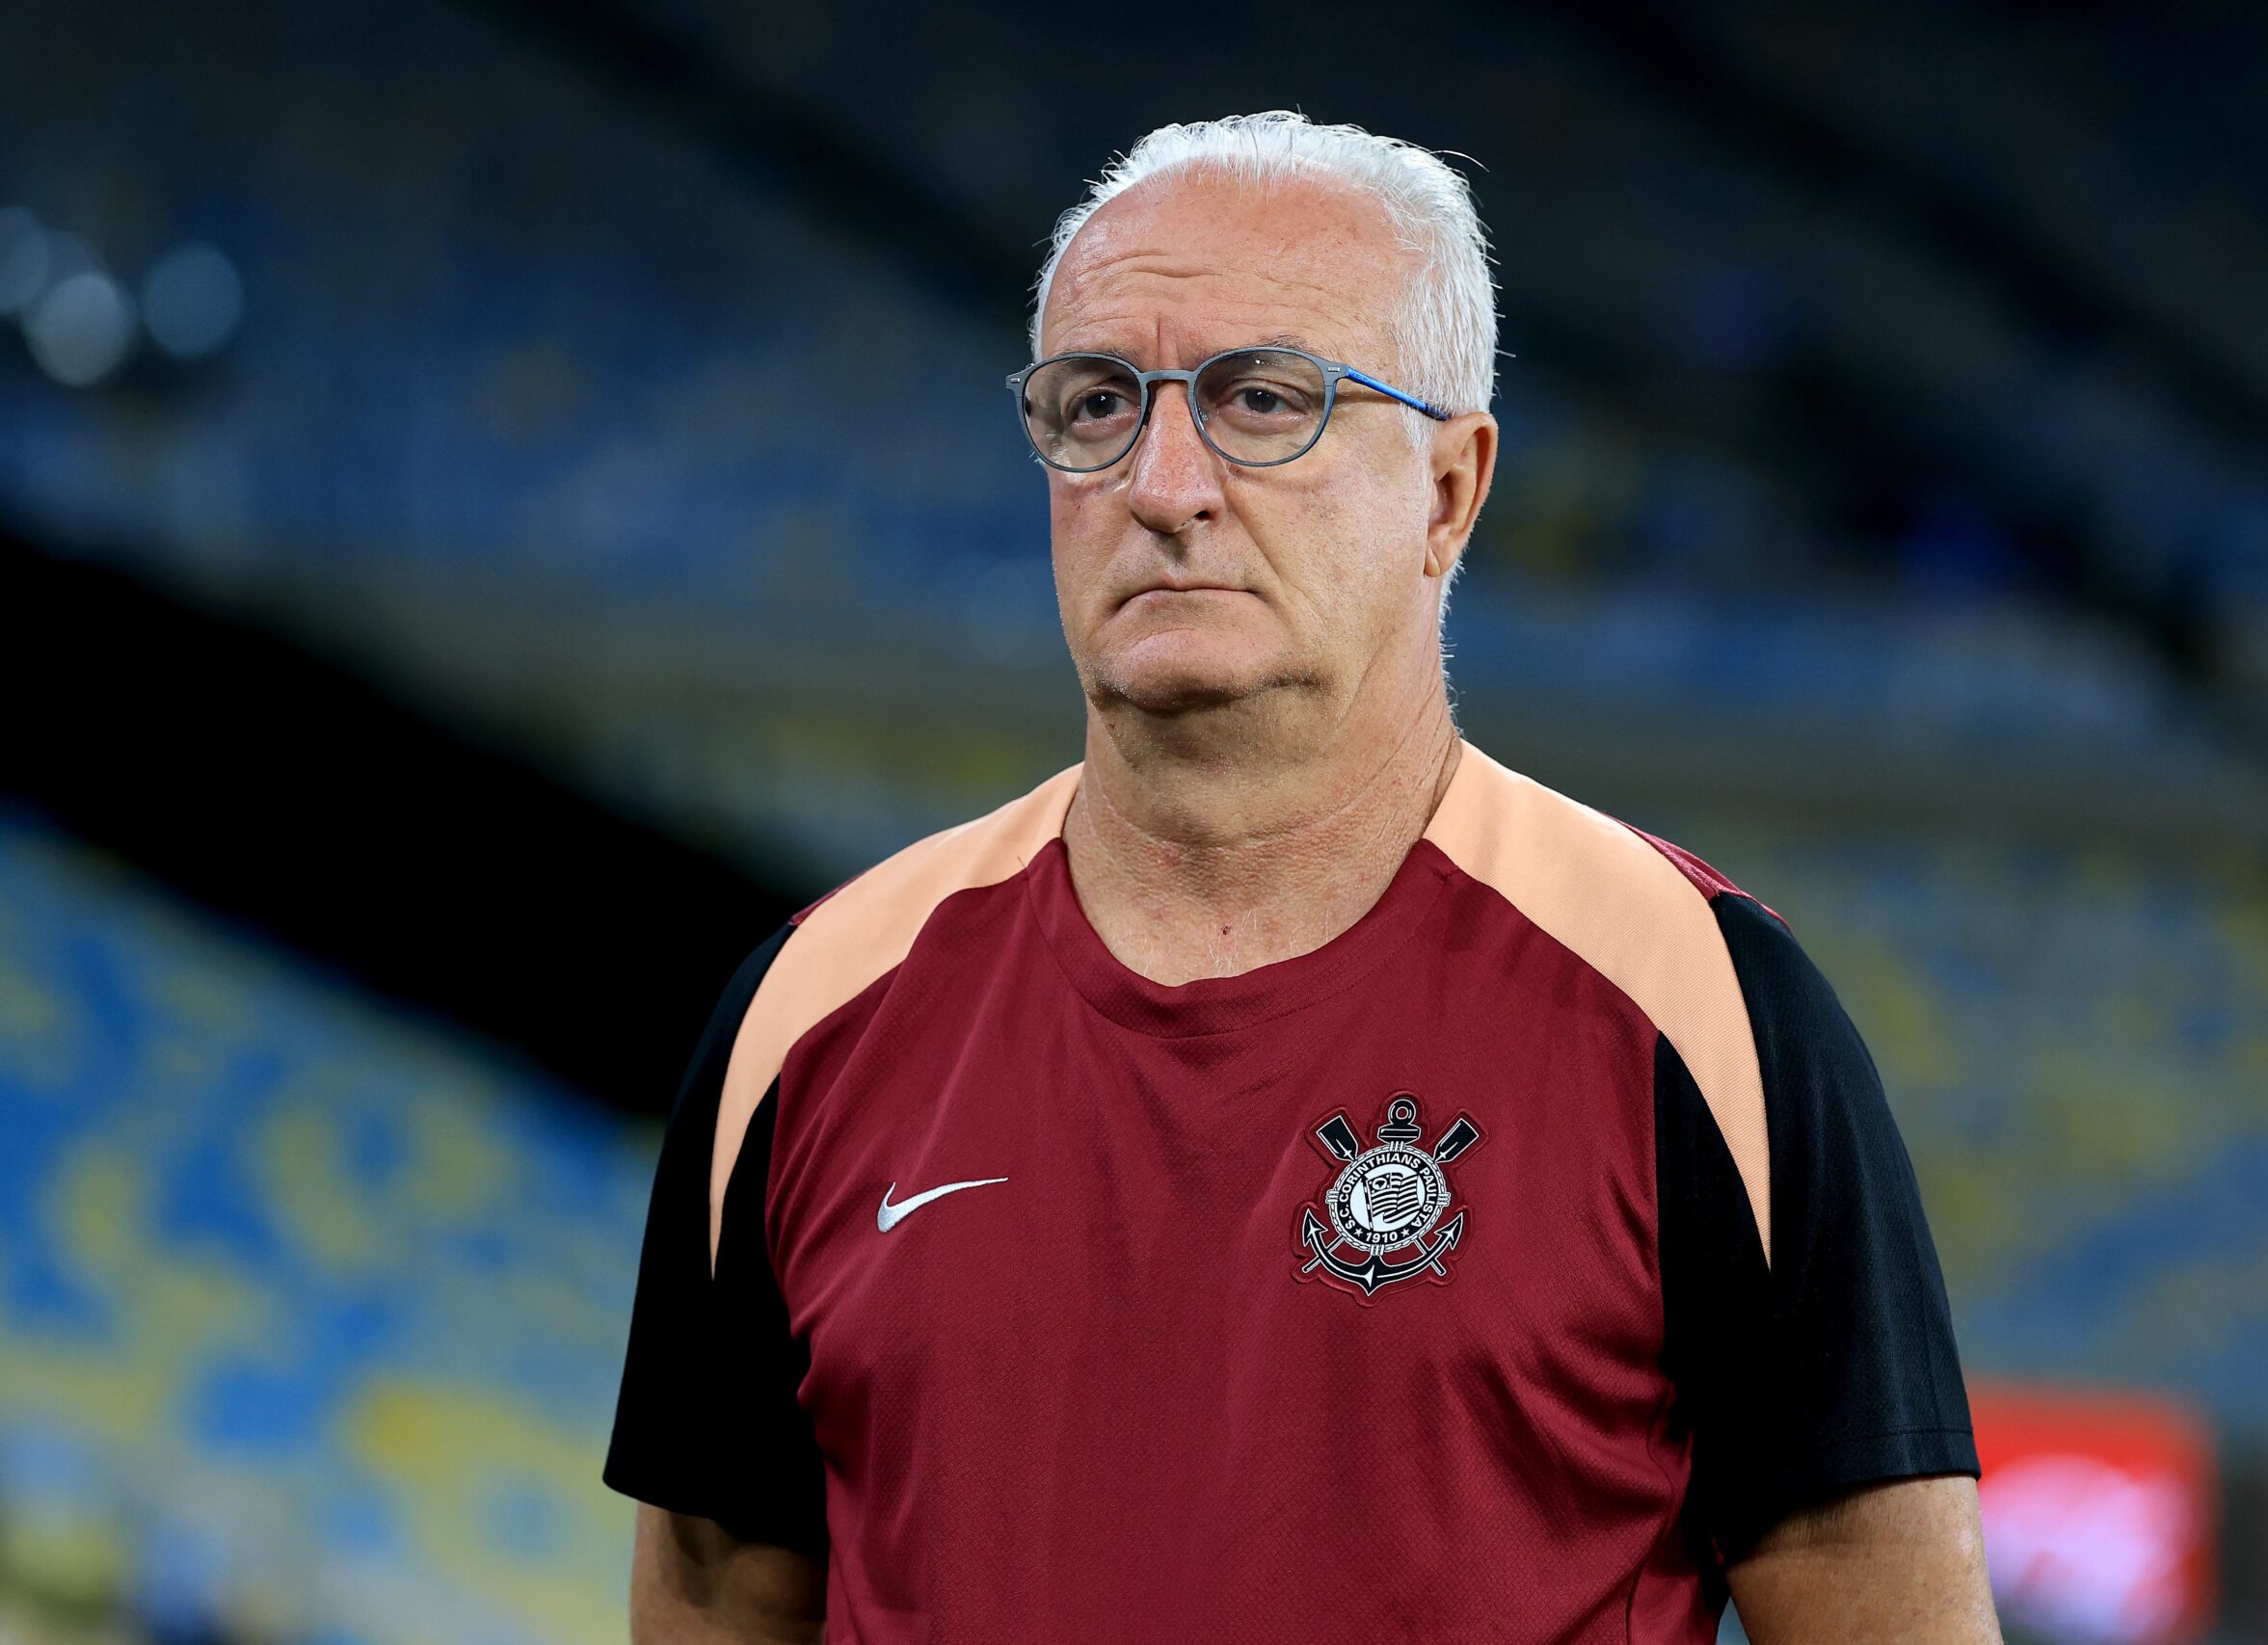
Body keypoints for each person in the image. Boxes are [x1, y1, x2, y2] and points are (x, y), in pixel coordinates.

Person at [605, 111, 2000, 1643]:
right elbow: (713, 1595)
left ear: (1449, 490)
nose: (1163, 484)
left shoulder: (1707, 1012)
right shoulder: (807, 1012)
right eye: (1097, 403)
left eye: (1264, 399)